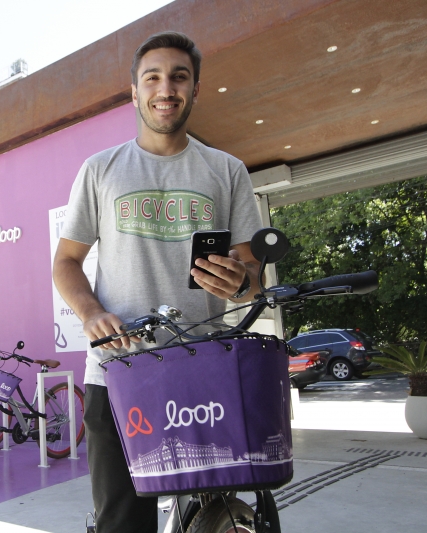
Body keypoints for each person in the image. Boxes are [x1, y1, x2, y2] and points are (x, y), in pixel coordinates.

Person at [52, 31, 263, 532]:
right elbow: (66, 261)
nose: (165, 88)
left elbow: (254, 277)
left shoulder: (227, 171)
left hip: (205, 370)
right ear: (134, 91)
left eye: (179, 76)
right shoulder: (100, 169)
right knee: (123, 522)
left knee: (213, 512)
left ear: (195, 90)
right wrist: (91, 313)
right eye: (153, 77)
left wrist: (240, 281)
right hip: (118, 372)